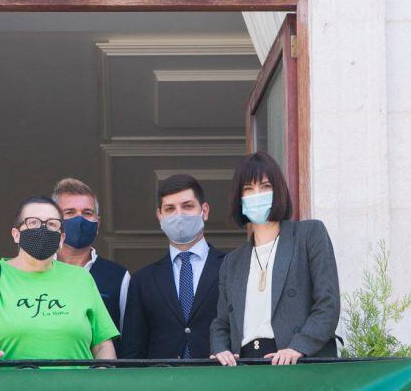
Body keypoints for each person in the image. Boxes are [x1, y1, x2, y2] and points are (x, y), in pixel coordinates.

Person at [210, 151, 340, 366]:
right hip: (245, 366)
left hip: (297, 361)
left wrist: (298, 347)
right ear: (239, 198)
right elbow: (221, 322)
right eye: (248, 189)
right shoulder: (232, 262)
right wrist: (220, 349)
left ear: (278, 190)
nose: (257, 194)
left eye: (265, 186)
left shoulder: (309, 234)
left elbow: (328, 303)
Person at [0, 196, 119, 365]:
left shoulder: (81, 278)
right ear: (16, 234)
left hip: (77, 389)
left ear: (62, 238)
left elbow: (103, 347)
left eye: (52, 224)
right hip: (12, 388)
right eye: (33, 223)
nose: (42, 230)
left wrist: (104, 383)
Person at [121, 174, 225, 359]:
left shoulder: (231, 267)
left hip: (219, 379)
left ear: (205, 210)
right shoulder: (143, 281)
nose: (179, 215)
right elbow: (132, 352)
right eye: (170, 209)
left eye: (187, 206)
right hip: (162, 383)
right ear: (160, 216)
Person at [53, 178, 130, 332]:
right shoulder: (37, 268)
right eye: (70, 212)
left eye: (87, 213)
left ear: (98, 223)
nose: (79, 219)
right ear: (54, 221)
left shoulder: (119, 276)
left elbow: (128, 338)